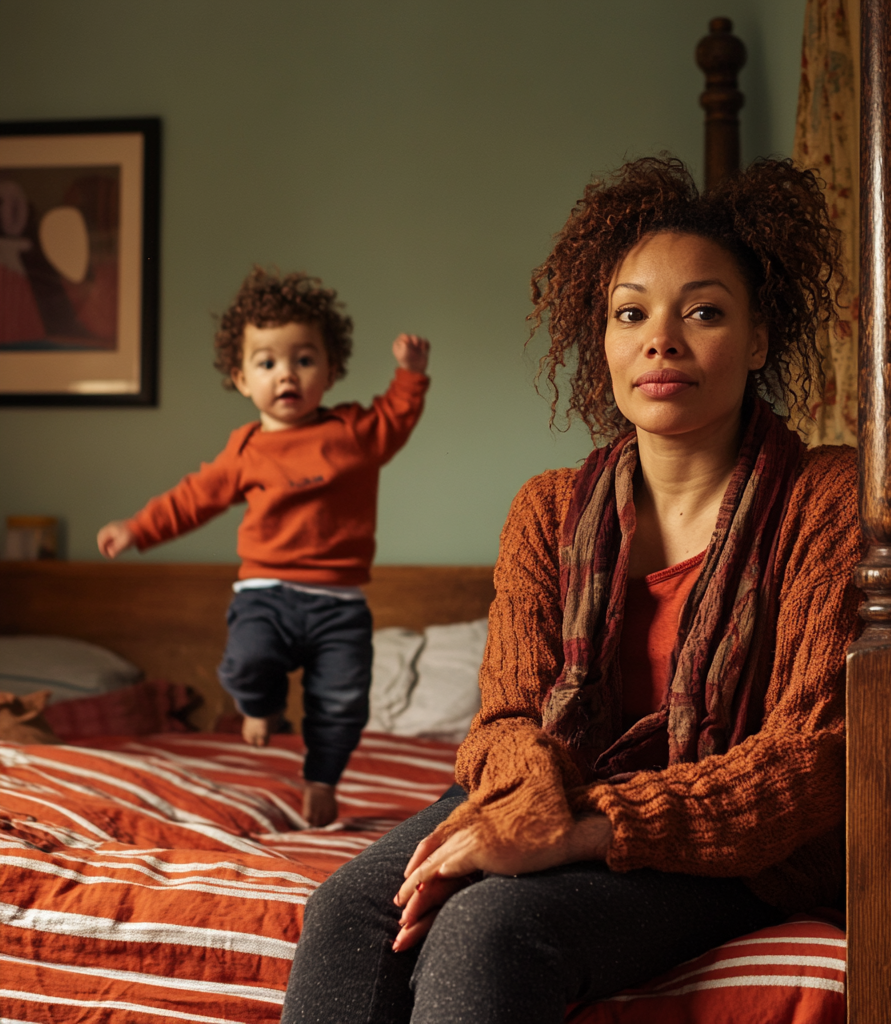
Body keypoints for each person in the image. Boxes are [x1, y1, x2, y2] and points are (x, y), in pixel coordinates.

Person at [281, 156, 858, 1022]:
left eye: (703, 311)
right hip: (557, 786)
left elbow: (808, 762)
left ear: (760, 338)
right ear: (606, 342)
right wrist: (532, 811)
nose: (660, 339)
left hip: (732, 842)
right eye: (632, 314)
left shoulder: (829, 497)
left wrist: (579, 830)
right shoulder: (549, 509)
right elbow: (509, 721)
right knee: (344, 912)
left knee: (489, 927)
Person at [97, 268, 430, 827]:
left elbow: (395, 419)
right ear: (241, 377)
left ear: (330, 370)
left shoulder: (352, 431)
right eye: (267, 362)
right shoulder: (245, 450)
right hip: (265, 595)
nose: (287, 375)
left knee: (343, 702)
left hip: (339, 605)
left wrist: (410, 375)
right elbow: (193, 497)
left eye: (304, 359)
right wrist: (138, 528)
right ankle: (260, 706)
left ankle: (322, 779)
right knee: (246, 665)